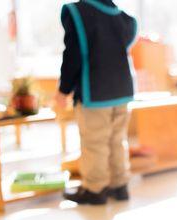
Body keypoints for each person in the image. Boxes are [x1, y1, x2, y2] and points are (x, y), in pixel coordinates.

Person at [55, 0, 137, 205]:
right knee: (117, 140)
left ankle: (95, 189)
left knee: (95, 143)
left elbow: (72, 56)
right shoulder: (122, 18)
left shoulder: (77, 12)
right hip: (121, 91)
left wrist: (63, 90)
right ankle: (120, 186)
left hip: (95, 90)